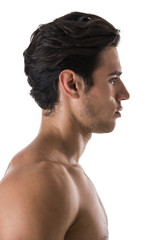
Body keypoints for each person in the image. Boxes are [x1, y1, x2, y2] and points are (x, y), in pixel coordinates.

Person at [0, 12, 130, 240]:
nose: (124, 94)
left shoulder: (66, 173)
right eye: (112, 79)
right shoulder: (39, 180)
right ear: (71, 84)